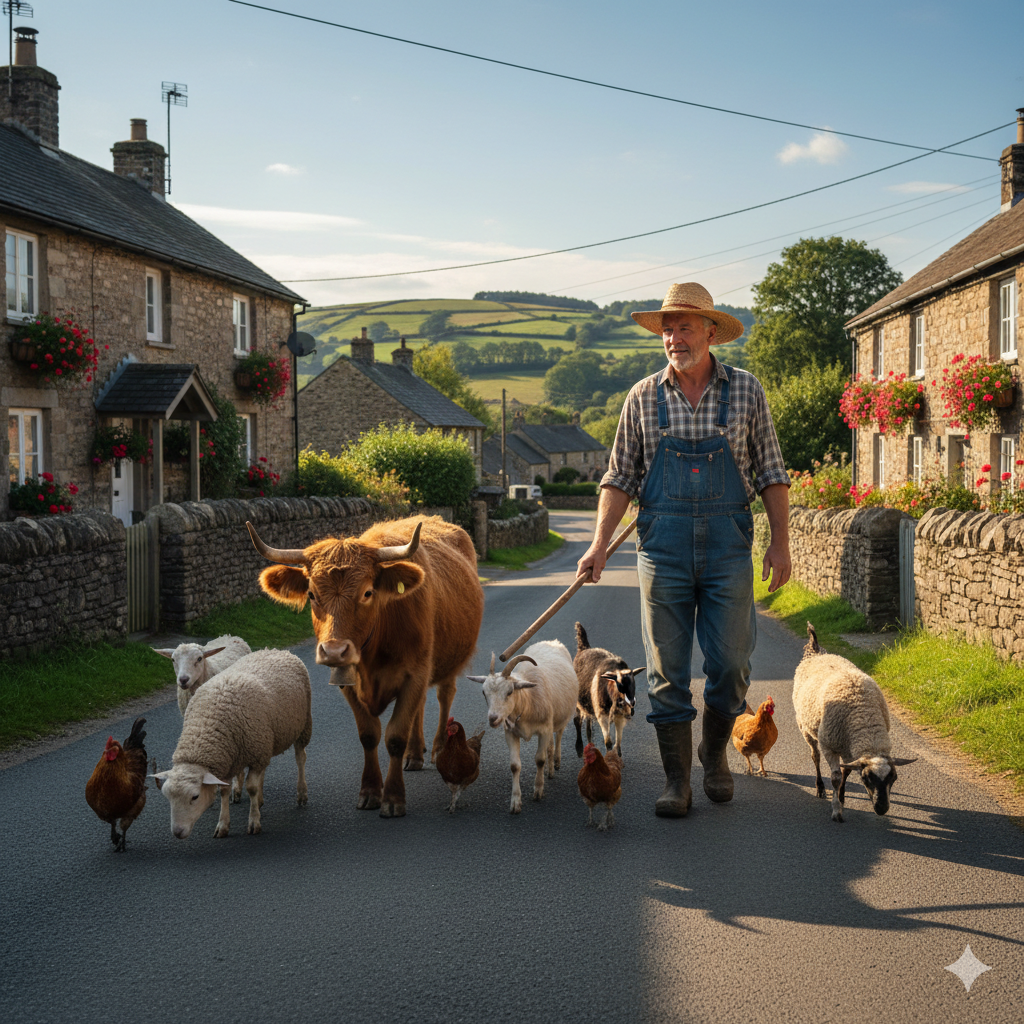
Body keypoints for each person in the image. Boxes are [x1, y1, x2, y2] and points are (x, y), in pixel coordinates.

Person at [576, 283, 791, 818]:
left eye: (685, 327)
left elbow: (771, 471)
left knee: (733, 665)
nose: (674, 338)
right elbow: (619, 477)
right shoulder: (642, 396)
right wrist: (599, 544)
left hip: (728, 548)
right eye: (667, 329)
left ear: (711, 332)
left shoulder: (746, 391)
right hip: (663, 550)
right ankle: (677, 781)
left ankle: (713, 755)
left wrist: (781, 543)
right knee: (665, 672)